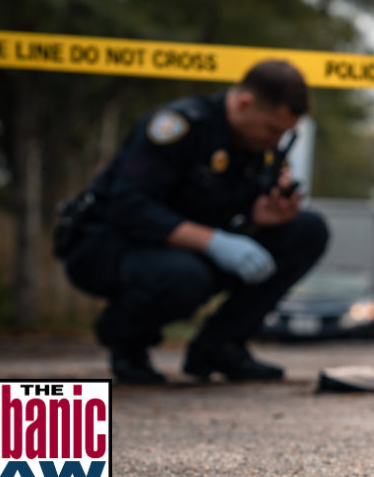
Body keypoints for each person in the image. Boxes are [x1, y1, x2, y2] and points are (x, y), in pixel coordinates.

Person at [60, 60, 329, 384]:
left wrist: (260, 218)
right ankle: (125, 340)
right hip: (107, 246)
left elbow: (228, 212)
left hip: (187, 249)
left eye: (284, 133)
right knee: (184, 276)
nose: (276, 141)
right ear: (245, 103)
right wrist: (213, 242)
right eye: (272, 128)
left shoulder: (257, 147)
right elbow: (129, 206)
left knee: (307, 230)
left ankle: (221, 346)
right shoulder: (179, 126)